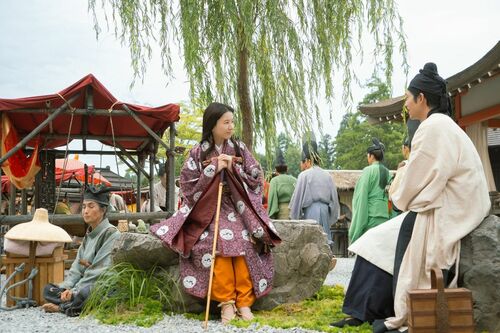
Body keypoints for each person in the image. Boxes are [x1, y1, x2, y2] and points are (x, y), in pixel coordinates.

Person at [150, 102, 281, 324]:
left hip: (238, 208)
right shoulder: (198, 151)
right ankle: (227, 302)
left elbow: (256, 178)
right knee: (214, 244)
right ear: (213, 125)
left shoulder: (239, 148)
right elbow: (188, 186)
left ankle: (244, 302)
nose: (231, 127)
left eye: (232, 122)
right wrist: (212, 169)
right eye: (226, 122)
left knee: (245, 243)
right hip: (208, 210)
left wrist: (233, 168)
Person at [41, 185, 121, 316]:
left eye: (91, 206)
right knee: (48, 289)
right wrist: (67, 287)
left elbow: (99, 271)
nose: (85, 211)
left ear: (103, 209)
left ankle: (63, 306)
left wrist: (75, 291)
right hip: (81, 286)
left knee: (87, 293)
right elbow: (76, 269)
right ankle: (69, 302)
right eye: (84, 207)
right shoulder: (88, 235)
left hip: (100, 284)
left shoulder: (111, 234)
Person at [289, 137, 339, 245]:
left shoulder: (304, 175)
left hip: (310, 213)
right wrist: (330, 217)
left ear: (308, 160)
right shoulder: (328, 175)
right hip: (325, 211)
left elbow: (297, 200)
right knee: (324, 242)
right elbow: (334, 201)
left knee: (311, 244)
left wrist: (295, 218)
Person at [348, 138, 392, 243]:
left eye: (367, 155)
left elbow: (361, 197)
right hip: (385, 216)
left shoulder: (368, 171)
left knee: (368, 251)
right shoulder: (388, 173)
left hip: (371, 217)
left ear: (371, 156)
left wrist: (358, 225)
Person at [267, 148, 297, 219]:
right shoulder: (295, 180)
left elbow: (272, 200)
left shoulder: (274, 181)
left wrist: (271, 215)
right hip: (294, 213)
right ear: (287, 169)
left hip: (281, 214)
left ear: (276, 170)